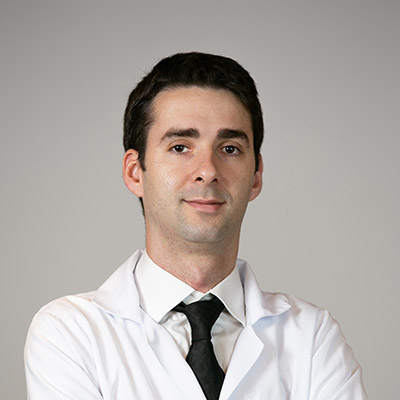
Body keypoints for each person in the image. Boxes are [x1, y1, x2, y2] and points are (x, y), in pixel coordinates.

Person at [24, 52, 367, 399]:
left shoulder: (313, 337)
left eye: (230, 148)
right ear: (135, 172)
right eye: (180, 147)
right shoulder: (70, 333)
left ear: (256, 176)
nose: (208, 170)